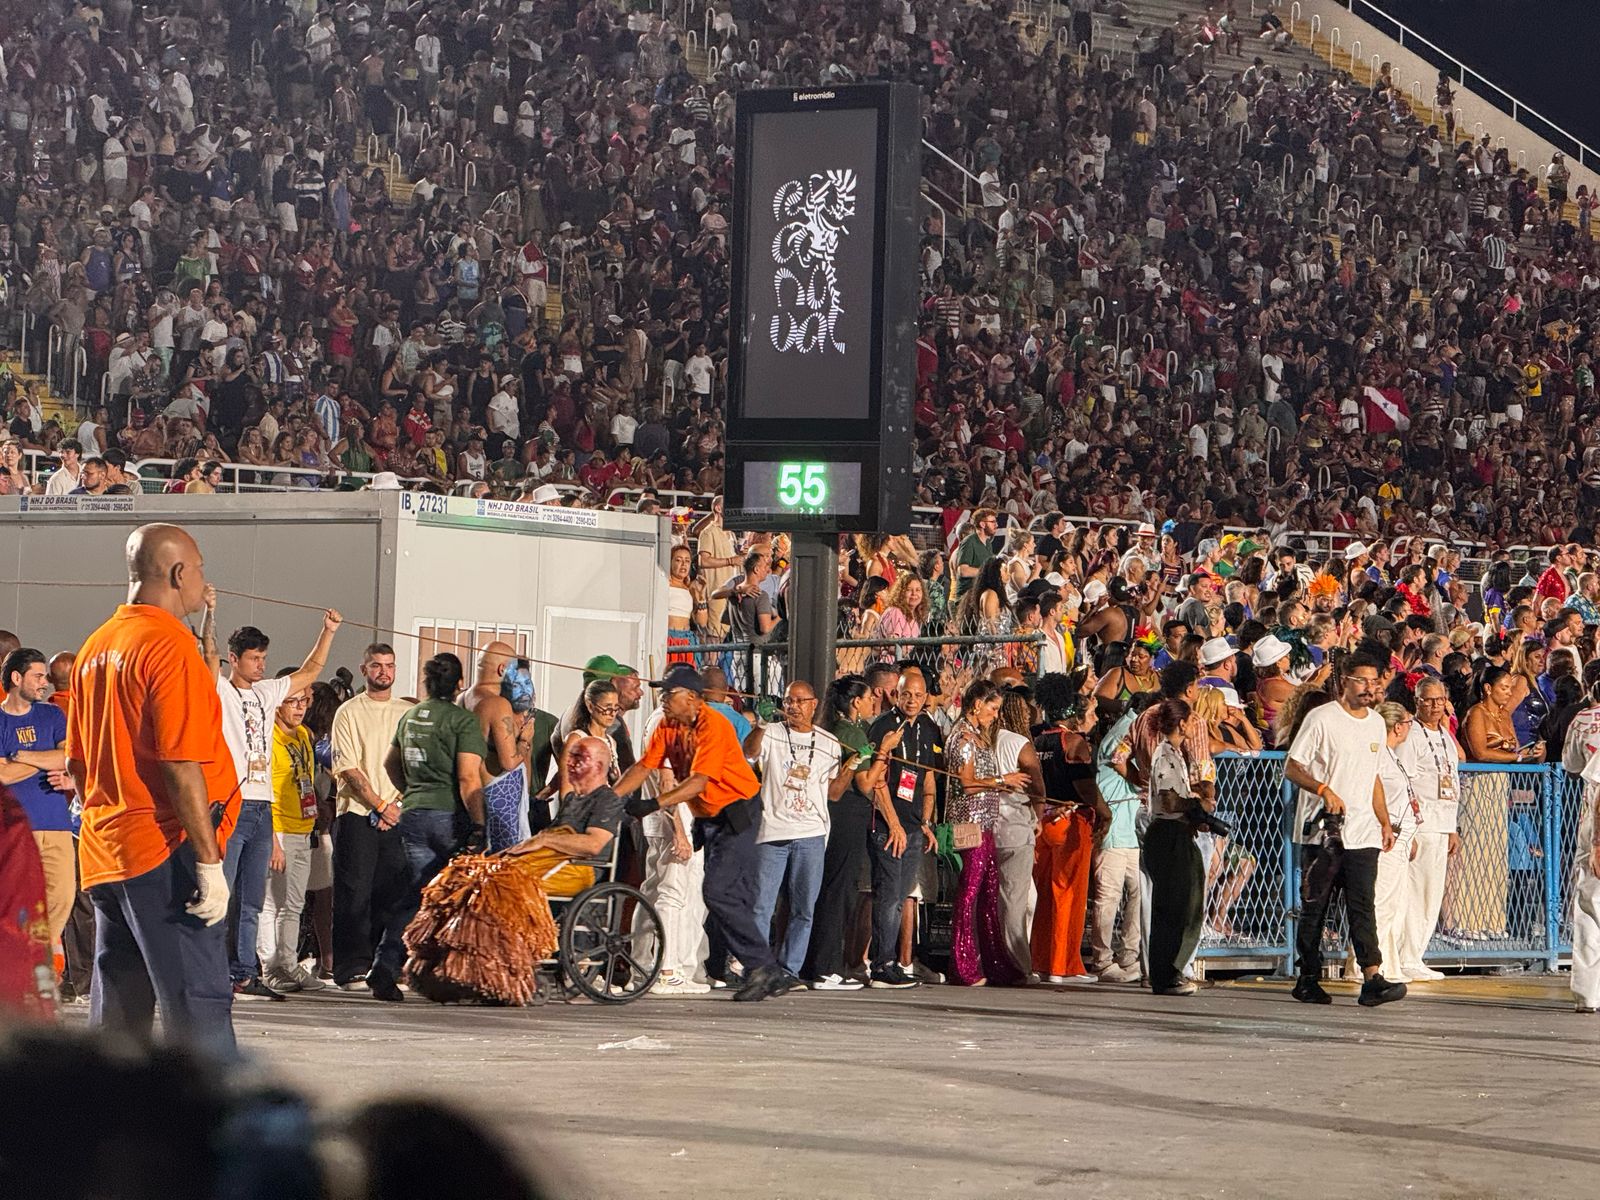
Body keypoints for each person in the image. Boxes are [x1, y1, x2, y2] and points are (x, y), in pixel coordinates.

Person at [66, 524, 236, 1052]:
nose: (202, 578)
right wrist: (209, 865)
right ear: (180, 572)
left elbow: (77, 762)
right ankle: (214, 1130)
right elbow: (181, 764)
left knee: (119, 1012)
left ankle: (102, 1127)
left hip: (105, 849)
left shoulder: (97, 644)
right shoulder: (168, 644)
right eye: (201, 567)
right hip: (163, 851)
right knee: (197, 1008)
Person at [616, 664, 791, 1003]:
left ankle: (762, 966)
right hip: (707, 814)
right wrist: (611, 796)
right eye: (662, 693)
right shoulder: (668, 725)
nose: (663, 699)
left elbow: (698, 781)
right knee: (726, 893)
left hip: (738, 811)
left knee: (717, 891)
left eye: (671, 694)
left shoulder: (714, 726)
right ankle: (761, 967)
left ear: (693, 698)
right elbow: (644, 767)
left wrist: (652, 804)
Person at [211, 607, 342, 1000]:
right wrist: (212, 614)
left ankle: (245, 973)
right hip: (232, 804)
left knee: (252, 899)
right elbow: (206, 651)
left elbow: (310, 670)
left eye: (263, 658)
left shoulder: (269, 692)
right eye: (253, 658)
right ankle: (214, 972)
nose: (260, 665)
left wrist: (328, 631)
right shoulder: (222, 690)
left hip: (262, 808)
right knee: (225, 895)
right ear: (234, 659)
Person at [1284, 652, 1408, 1007]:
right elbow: (1293, 767)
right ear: (1344, 682)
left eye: (1374, 681)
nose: (1369, 688)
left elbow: (1374, 776)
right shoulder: (1321, 719)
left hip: (1364, 829)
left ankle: (1372, 975)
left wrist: (1384, 821)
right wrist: (1323, 789)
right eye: (1361, 681)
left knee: (1362, 905)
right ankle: (1308, 975)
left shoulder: (1373, 724)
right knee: (1316, 906)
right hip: (1324, 830)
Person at [373, 652, 488, 1003]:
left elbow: (391, 764)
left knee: (417, 893)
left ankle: (386, 964)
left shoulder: (410, 717)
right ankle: (449, 975)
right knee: (458, 897)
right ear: (459, 684)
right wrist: (481, 824)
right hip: (448, 817)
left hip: (414, 814)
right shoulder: (461, 721)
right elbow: (469, 778)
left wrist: (414, 793)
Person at [743, 680, 853, 983]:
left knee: (804, 908)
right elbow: (749, 754)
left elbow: (834, 793)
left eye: (800, 701)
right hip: (774, 831)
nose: (793, 706)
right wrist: (762, 723)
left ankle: (789, 970)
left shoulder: (830, 743)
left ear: (814, 704)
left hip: (812, 833)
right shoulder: (773, 734)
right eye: (789, 701)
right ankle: (756, 968)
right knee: (762, 906)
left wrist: (854, 765)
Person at [799, 674, 895, 991]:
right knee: (838, 889)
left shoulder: (837, 729)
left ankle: (819, 963)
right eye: (869, 697)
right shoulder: (852, 734)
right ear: (856, 701)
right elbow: (866, 784)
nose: (874, 702)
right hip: (848, 815)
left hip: (836, 818)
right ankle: (826, 967)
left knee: (831, 887)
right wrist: (883, 751)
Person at [328, 643, 411, 992]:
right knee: (354, 894)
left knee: (392, 895)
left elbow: (413, 764)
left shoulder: (406, 712)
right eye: (376, 665)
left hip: (397, 815)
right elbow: (347, 767)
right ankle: (350, 969)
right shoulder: (348, 712)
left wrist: (397, 807)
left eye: (389, 665)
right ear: (364, 670)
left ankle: (384, 967)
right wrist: (379, 804)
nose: (384, 672)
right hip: (358, 815)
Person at [946, 679, 1027, 987]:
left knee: (989, 893)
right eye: (993, 708)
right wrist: (1000, 780)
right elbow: (967, 783)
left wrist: (1000, 783)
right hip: (970, 823)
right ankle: (962, 964)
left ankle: (993, 961)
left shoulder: (979, 736)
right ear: (976, 704)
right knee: (968, 894)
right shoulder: (963, 738)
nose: (996, 715)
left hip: (986, 822)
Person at [864, 668, 941, 987]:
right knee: (889, 897)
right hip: (887, 825)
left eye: (918, 695)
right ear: (895, 694)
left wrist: (925, 822)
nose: (911, 700)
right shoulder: (883, 727)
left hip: (913, 826)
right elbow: (876, 782)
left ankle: (893, 961)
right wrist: (893, 824)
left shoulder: (929, 728)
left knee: (903, 895)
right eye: (906, 694)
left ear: (926, 698)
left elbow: (929, 779)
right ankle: (881, 965)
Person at [1453, 665, 1540, 940]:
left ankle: (1492, 920)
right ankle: (1468, 921)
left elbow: (1512, 747)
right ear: (1488, 688)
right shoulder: (1477, 713)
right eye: (1504, 688)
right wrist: (1516, 759)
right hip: (1478, 784)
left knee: (1495, 853)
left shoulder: (1504, 715)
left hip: (1500, 785)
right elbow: (1480, 751)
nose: (1508, 693)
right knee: (1476, 853)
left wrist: (1529, 753)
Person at [1030, 675, 1107, 984]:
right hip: (1071, 820)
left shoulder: (1035, 740)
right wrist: (1106, 812)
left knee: (1044, 896)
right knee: (1069, 895)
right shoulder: (1073, 742)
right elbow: (1085, 785)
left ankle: (1041, 961)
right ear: (1073, 714)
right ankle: (1064, 965)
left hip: (1042, 821)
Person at [0, 649, 72, 962]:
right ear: (16, 678)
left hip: (55, 823)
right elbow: (3, 775)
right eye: (38, 676)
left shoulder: (52, 715)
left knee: (62, 896)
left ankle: (33, 956)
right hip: (13, 828)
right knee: (12, 902)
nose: (45, 683)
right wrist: (47, 757)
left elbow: (67, 756)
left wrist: (24, 756)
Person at [258, 682, 323, 993]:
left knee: (295, 903)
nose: (299, 708)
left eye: (304, 701)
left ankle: (290, 964)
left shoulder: (303, 737)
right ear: (277, 704)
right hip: (279, 829)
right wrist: (271, 840)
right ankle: (269, 967)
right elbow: (264, 792)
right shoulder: (268, 738)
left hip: (303, 828)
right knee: (270, 903)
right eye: (292, 701)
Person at [1398, 678, 1461, 982]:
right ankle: (1406, 955)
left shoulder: (1447, 737)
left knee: (1432, 893)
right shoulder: (1412, 735)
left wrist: (1452, 828)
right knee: (1415, 891)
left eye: (1439, 700)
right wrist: (1409, 823)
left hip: (1442, 823)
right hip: (1420, 824)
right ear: (1417, 701)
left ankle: (1417, 954)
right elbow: (1404, 781)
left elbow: (1453, 780)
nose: (1435, 706)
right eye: (1428, 700)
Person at [505, 736, 624, 897]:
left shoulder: (607, 799)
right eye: (570, 756)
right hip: (554, 860)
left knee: (508, 885)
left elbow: (593, 845)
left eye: (578, 757)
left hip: (580, 868)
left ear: (598, 766)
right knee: (492, 873)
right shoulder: (572, 799)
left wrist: (544, 839)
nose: (570, 763)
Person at [1144, 698, 1207, 996]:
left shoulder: (1178, 754)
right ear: (1182, 723)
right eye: (1192, 720)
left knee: (1188, 903)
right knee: (1170, 908)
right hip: (1167, 832)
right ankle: (1164, 973)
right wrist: (1195, 805)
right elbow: (1168, 799)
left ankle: (1174, 968)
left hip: (1179, 832)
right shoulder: (1165, 755)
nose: (1195, 726)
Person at [1089, 691, 1148, 983]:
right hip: (1113, 825)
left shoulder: (1137, 728)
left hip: (1130, 827)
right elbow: (1117, 760)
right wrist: (1144, 779)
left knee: (1138, 892)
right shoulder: (1127, 729)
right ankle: (1102, 960)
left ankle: (1129, 954)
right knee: (1108, 896)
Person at [462, 642, 540, 851]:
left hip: (470, 798)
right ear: (502, 670)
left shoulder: (464, 697)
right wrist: (524, 740)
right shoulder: (497, 704)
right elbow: (509, 762)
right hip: (498, 799)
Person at [1372, 702, 1422, 983]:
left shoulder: (1392, 755)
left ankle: (1389, 964)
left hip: (1401, 836)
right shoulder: (1379, 756)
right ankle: (1372, 966)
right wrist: (1386, 825)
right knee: (1382, 902)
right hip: (1386, 836)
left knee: (1395, 903)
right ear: (1398, 726)